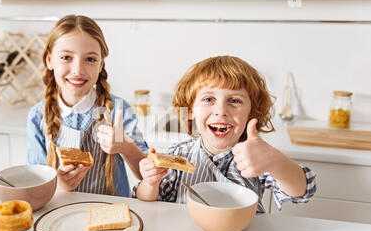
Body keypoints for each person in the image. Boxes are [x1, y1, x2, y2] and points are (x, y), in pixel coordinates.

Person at [134, 56, 316, 212]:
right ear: (190, 110)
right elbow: (147, 201)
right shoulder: (177, 155)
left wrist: (274, 160)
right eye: (208, 99)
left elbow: (302, 192)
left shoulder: (257, 157)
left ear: (252, 113)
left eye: (234, 100)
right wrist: (150, 183)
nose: (221, 110)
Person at [27, 15, 148, 197]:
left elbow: (145, 175)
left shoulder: (117, 110)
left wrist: (125, 146)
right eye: (66, 57)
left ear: (101, 65)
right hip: (59, 215)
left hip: (112, 215)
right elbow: (35, 183)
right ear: (49, 60)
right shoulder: (37, 116)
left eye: (90, 59)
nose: (77, 70)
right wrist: (58, 185)